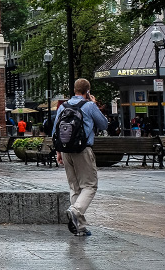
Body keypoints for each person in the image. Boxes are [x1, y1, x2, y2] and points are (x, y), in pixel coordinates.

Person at [54, 78, 108, 237]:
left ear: (74, 90)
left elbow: (55, 129)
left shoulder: (63, 106)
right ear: (87, 91)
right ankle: (75, 210)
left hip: (65, 150)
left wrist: (58, 151)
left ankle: (79, 227)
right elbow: (104, 124)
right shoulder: (89, 106)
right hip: (83, 149)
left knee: (75, 186)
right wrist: (95, 104)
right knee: (90, 185)